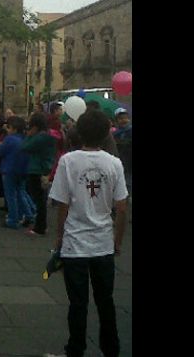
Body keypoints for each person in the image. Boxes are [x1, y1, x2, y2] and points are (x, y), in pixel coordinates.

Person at [48, 109, 128, 357]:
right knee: (106, 301)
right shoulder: (114, 163)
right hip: (103, 242)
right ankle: (111, 349)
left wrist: (60, 239)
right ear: (107, 133)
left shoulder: (68, 161)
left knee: (78, 303)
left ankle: (76, 349)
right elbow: (122, 207)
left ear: (79, 132)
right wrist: (117, 241)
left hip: (75, 243)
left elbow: (63, 205)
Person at [0, 116, 35, 229]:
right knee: (21, 193)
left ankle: (13, 219)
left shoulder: (9, 139)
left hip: (9, 169)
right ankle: (29, 214)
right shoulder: (25, 139)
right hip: (23, 169)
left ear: (13, 128)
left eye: (8, 127)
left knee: (11, 196)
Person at [21, 112, 56, 236]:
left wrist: (29, 136)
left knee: (39, 200)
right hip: (43, 170)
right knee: (41, 199)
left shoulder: (39, 137)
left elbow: (25, 147)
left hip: (36, 170)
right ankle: (41, 226)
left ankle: (39, 228)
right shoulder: (47, 136)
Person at [112, 108, 132, 198]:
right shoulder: (114, 134)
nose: (123, 120)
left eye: (125, 118)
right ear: (116, 121)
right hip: (120, 161)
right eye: (120, 118)